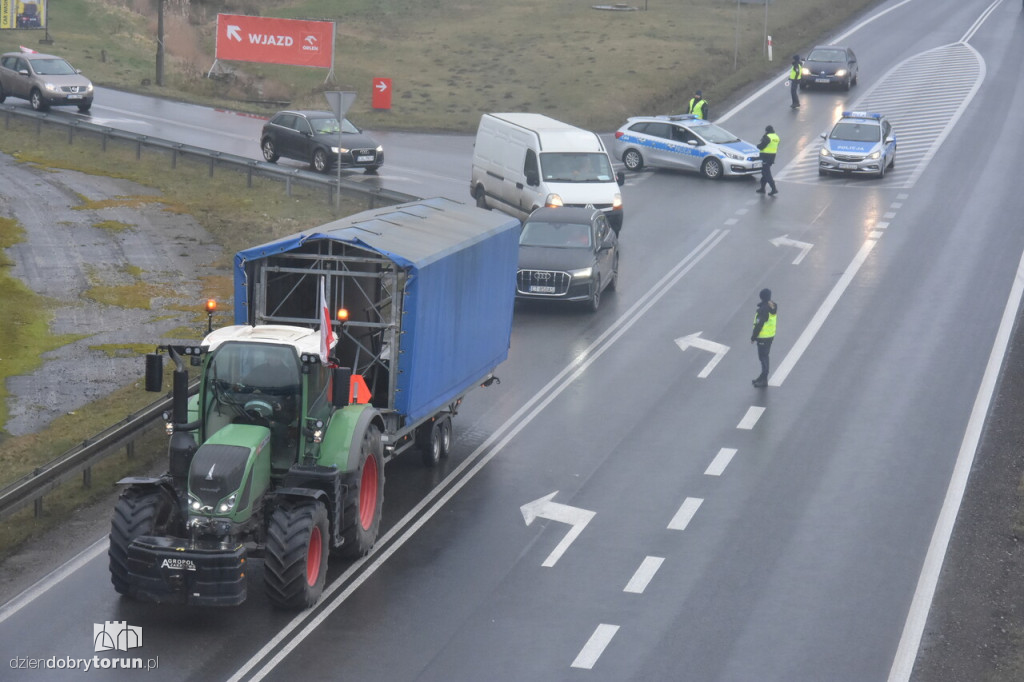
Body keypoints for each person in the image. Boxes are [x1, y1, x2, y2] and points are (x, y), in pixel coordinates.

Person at [751, 288, 777, 388]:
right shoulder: (773, 305)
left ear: (761, 297)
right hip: (770, 336)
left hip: (763, 337)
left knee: (763, 358)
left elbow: (759, 324)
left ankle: (764, 379)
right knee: (764, 357)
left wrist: (753, 337)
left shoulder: (763, 310)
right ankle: (762, 377)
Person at [755, 125, 779, 195]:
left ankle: (774, 189)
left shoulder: (767, 137)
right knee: (764, 172)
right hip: (772, 156)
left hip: (765, 156)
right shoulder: (776, 137)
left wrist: (758, 146)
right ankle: (762, 188)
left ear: (767, 131)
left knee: (767, 174)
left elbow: (761, 146)